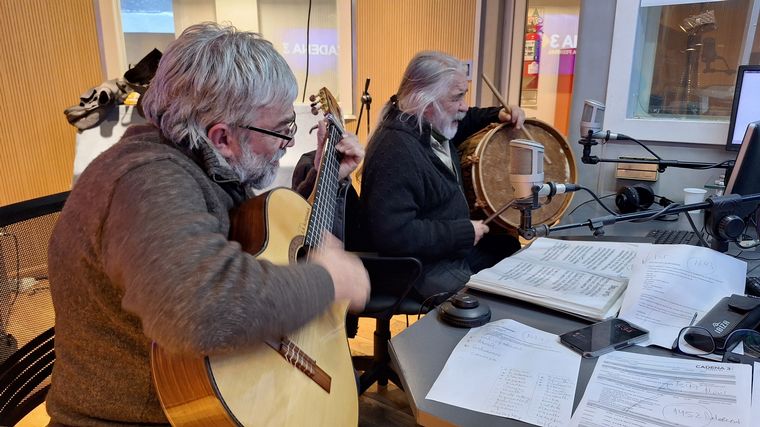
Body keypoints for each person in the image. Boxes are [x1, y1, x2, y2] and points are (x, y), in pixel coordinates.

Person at [45, 22, 369, 426]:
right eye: (282, 129)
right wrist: (328, 281)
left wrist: (324, 180)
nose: (288, 142)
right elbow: (201, 313)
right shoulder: (147, 181)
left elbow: (249, 240)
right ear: (221, 137)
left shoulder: (199, 164)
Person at [359, 50, 526, 303]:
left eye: (464, 95)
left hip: (443, 251)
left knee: (509, 249)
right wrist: (462, 232)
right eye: (457, 97)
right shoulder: (396, 151)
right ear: (427, 102)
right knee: (488, 303)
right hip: (418, 268)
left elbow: (467, 119)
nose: (464, 106)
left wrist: (496, 115)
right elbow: (393, 235)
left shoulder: (425, 123)